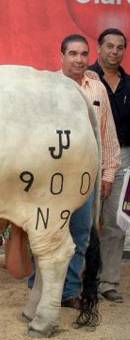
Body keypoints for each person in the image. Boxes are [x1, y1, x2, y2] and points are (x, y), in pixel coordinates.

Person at [29, 34, 121, 310]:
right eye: (73, 54)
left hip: (85, 177)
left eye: (83, 54)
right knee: (44, 233)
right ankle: (39, 288)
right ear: (62, 55)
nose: (79, 59)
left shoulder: (97, 89)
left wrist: (107, 174)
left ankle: (69, 292)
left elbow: (106, 134)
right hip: (51, 175)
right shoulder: (46, 87)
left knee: (80, 234)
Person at [88, 28, 130, 304]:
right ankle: (80, 281)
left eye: (120, 47)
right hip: (88, 154)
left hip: (123, 158)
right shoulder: (85, 79)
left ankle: (108, 282)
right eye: (109, 46)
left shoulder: (129, 84)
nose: (114, 52)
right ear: (99, 48)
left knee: (115, 222)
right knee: (85, 222)